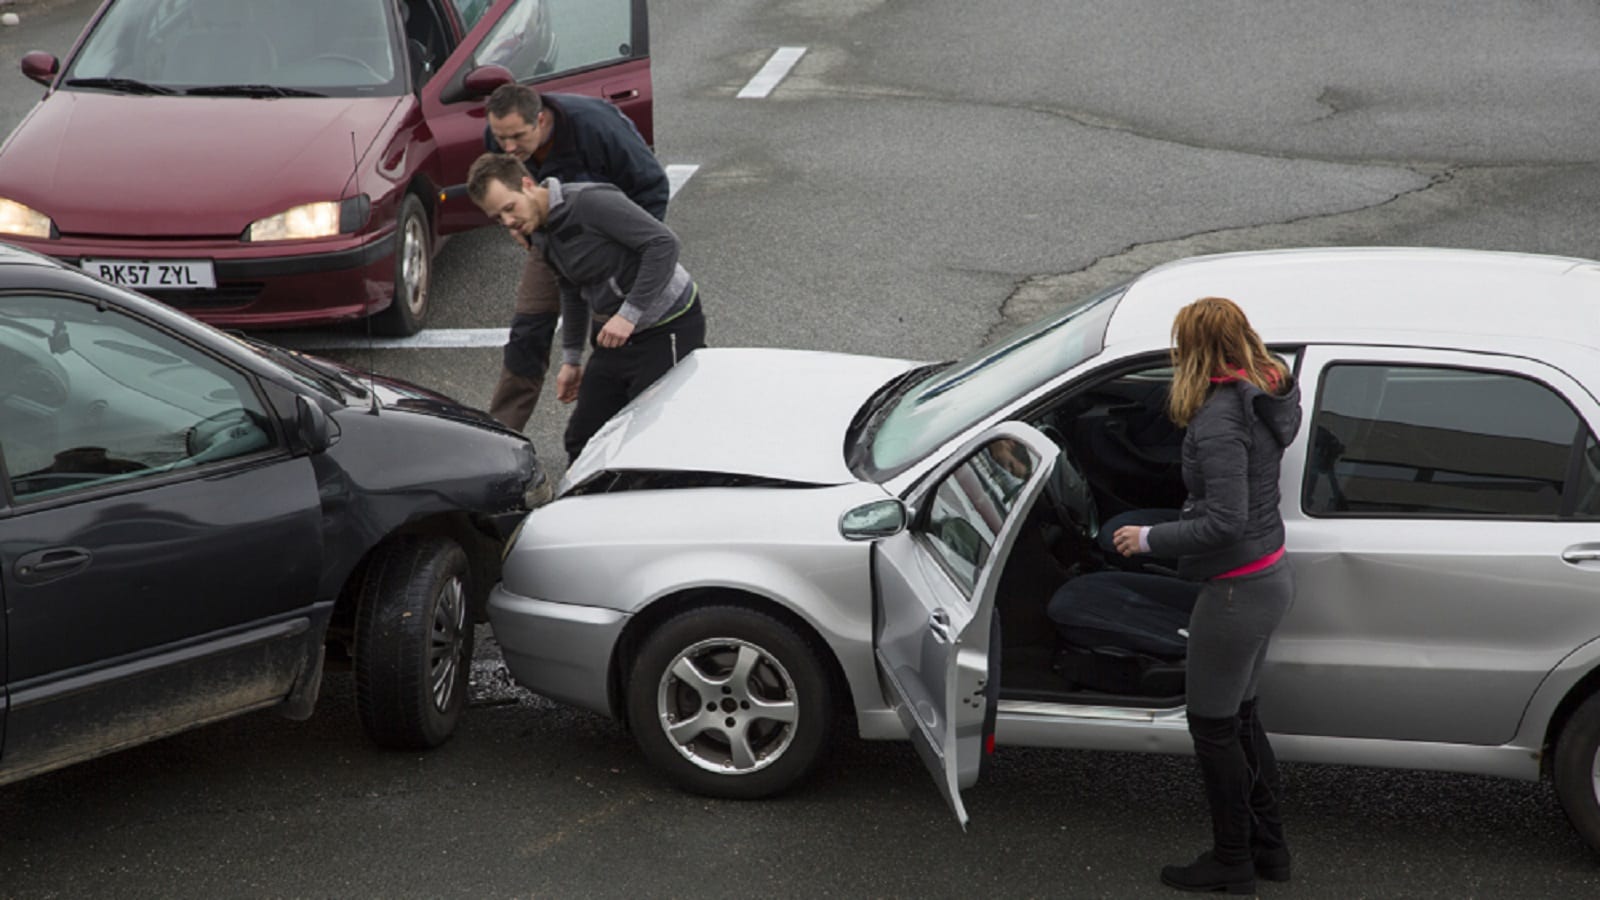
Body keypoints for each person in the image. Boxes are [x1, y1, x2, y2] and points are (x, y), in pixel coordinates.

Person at [1107, 296, 1302, 894]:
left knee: (1213, 726)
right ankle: (1270, 853)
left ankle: (1231, 861)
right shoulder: (1264, 393)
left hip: (1236, 592)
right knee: (1241, 721)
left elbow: (1225, 522)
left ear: (1194, 350)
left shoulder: (1220, 417)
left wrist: (1148, 539)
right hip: (1267, 577)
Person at [466, 153, 705, 462]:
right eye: (498, 218)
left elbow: (664, 244)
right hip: (614, 335)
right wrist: (572, 359)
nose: (508, 222)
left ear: (527, 184)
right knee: (583, 437)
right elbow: (571, 287)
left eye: (509, 208)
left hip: (667, 324)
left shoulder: (590, 202)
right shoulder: (539, 230)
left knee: (651, 434)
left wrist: (628, 315)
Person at [480, 83, 670, 431]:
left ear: (540, 120)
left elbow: (652, 187)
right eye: (500, 137)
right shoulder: (501, 138)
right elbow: (501, 187)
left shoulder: (596, 128)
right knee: (527, 333)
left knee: (615, 340)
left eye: (518, 137)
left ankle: (631, 433)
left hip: (609, 241)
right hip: (549, 239)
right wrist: (520, 229)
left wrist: (629, 255)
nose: (508, 148)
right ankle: (501, 437)